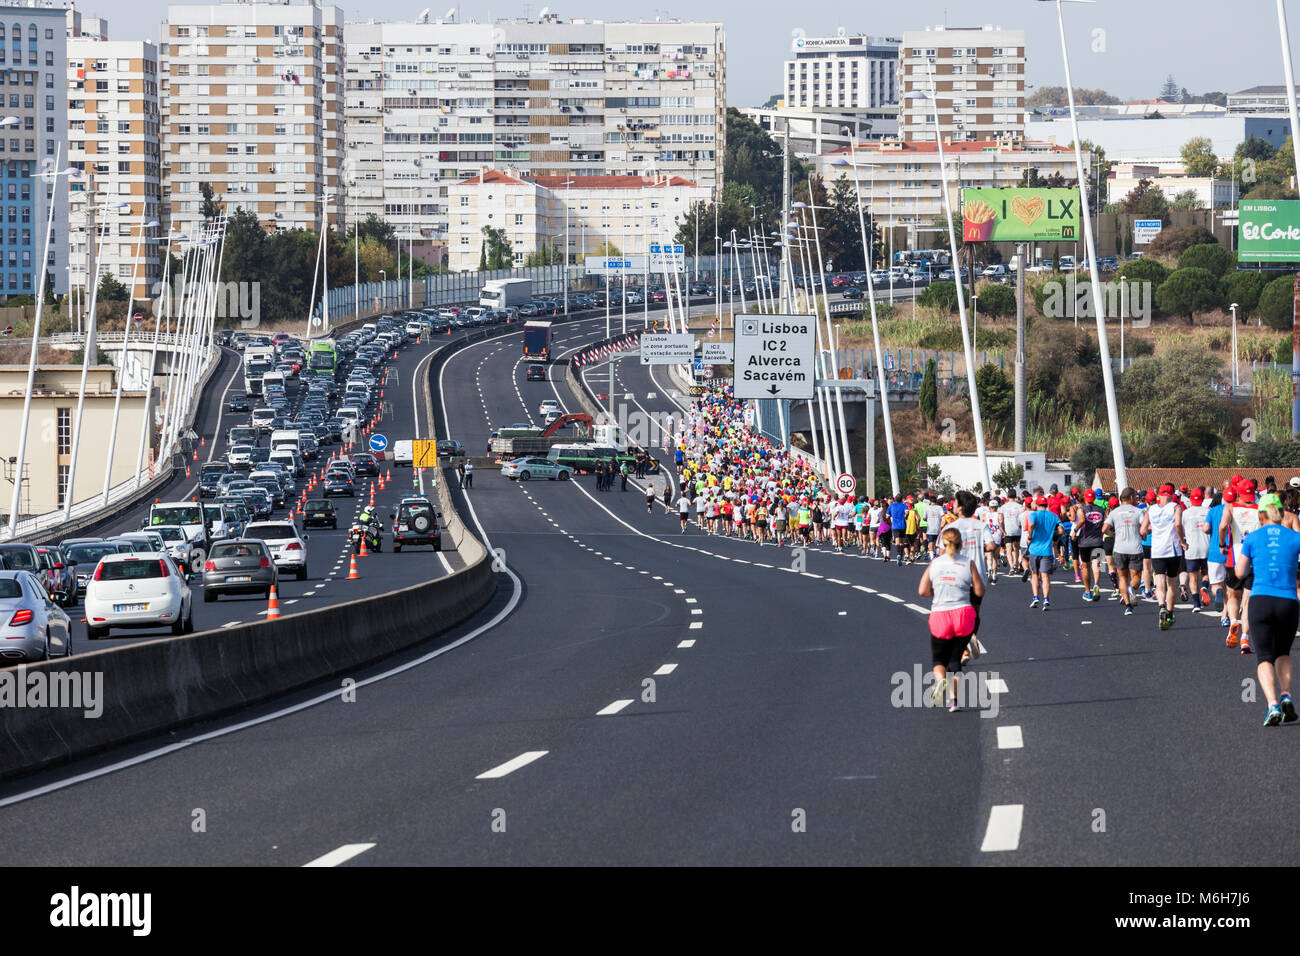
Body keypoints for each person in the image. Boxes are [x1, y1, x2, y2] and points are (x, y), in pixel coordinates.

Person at [1235, 498, 1300, 725]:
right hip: (1288, 600)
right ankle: (1286, 694)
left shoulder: (1252, 538)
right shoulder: (1295, 537)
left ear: (1260, 515)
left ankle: (1272, 705)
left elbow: (1240, 571)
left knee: (1264, 657)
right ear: (1282, 514)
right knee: (1283, 652)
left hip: (1261, 599)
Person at [918, 526, 986, 713]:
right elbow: (980, 591)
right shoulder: (968, 563)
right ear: (960, 544)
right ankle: (954, 701)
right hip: (963, 614)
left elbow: (922, 591)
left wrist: (936, 591)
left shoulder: (935, 564)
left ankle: (941, 682)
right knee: (955, 660)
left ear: (944, 543)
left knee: (939, 658)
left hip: (940, 614)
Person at [1141, 483, 1187, 631]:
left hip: (1157, 550)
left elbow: (1143, 529)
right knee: (1172, 583)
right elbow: (1178, 524)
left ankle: (1161, 606)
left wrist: (1149, 531)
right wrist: (1182, 541)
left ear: (1159, 495)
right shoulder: (1175, 507)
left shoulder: (1151, 509)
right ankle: (1170, 612)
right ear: (1172, 494)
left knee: (1159, 580)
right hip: (1173, 549)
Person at [1103, 488, 1144, 617]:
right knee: (1136, 577)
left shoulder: (1114, 512)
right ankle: (1131, 589)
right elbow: (1144, 530)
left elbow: (1104, 529)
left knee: (1122, 577)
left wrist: (1113, 534)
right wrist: (1142, 534)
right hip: (1135, 548)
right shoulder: (1138, 511)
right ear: (1131, 497)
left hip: (1120, 548)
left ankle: (1127, 606)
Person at [1026, 494, 1061, 611]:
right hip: (1047, 550)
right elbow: (1061, 530)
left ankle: (1035, 597)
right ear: (1046, 505)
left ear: (1037, 505)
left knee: (1034, 574)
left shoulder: (1034, 514)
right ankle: (1046, 599)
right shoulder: (1054, 516)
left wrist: (1030, 536)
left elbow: (1030, 525)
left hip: (1034, 549)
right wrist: (1053, 535)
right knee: (1045, 576)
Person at [1181, 487, 1210, 613]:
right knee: (1205, 573)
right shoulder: (1208, 511)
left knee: (1193, 577)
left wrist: (1182, 541)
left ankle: (1196, 604)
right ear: (1202, 499)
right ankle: (1204, 587)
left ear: (1191, 500)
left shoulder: (1185, 513)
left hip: (1191, 548)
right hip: (1206, 546)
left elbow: (1179, 528)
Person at [1074, 489, 1106, 601]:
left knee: (1085, 567)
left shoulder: (1081, 509)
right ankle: (1096, 584)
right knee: (1097, 565)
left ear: (1085, 498)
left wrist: (1075, 530)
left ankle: (1088, 592)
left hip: (1085, 542)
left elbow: (1082, 520)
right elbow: (1104, 525)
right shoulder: (1101, 510)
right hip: (1098, 541)